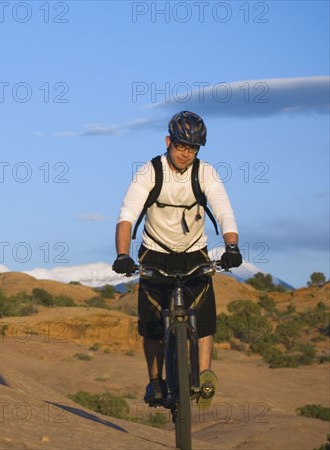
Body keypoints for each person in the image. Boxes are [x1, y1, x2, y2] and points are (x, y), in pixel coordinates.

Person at [112, 111, 242, 409]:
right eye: (182, 146)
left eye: (193, 148)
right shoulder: (150, 172)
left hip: (194, 252)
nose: (186, 153)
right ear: (168, 141)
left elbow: (223, 210)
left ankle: (204, 375)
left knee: (205, 319)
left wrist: (231, 246)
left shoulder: (205, 172)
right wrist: (122, 255)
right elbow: (127, 216)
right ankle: (156, 381)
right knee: (152, 324)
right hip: (154, 253)